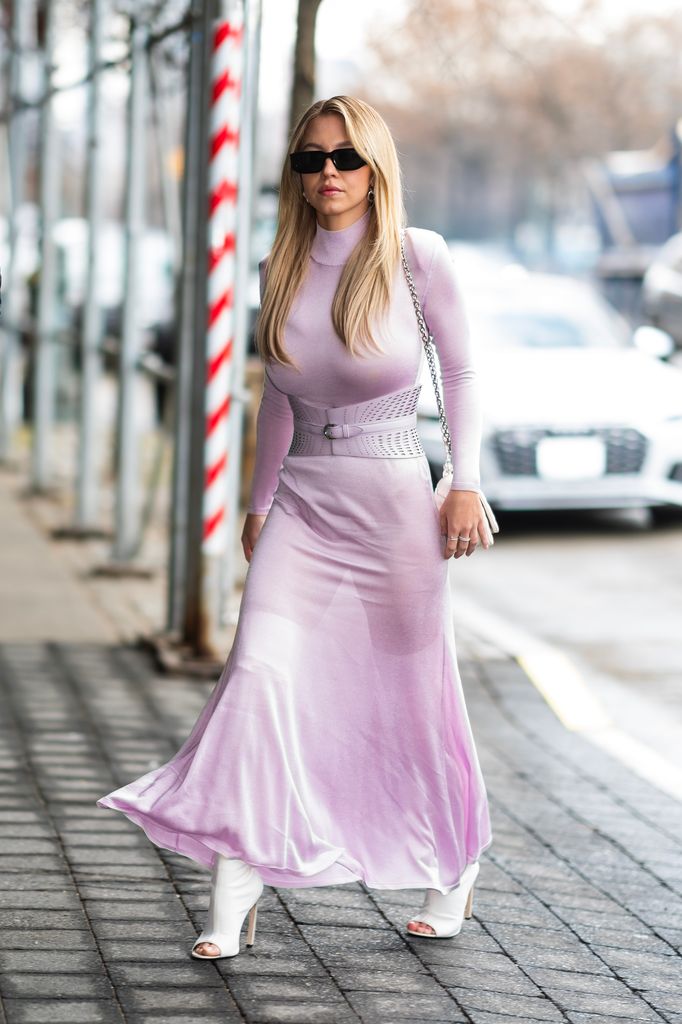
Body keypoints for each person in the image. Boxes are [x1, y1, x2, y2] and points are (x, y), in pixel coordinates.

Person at [96, 94, 494, 958]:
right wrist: (259, 499)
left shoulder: (417, 257)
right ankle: (233, 899)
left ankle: (450, 865)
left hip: (394, 502)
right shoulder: (282, 260)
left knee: (411, 699)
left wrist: (466, 483)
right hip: (304, 507)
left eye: (346, 158)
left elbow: (460, 370)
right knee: (259, 678)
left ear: (377, 166)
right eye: (310, 159)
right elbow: (277, 395)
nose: (328, 175)